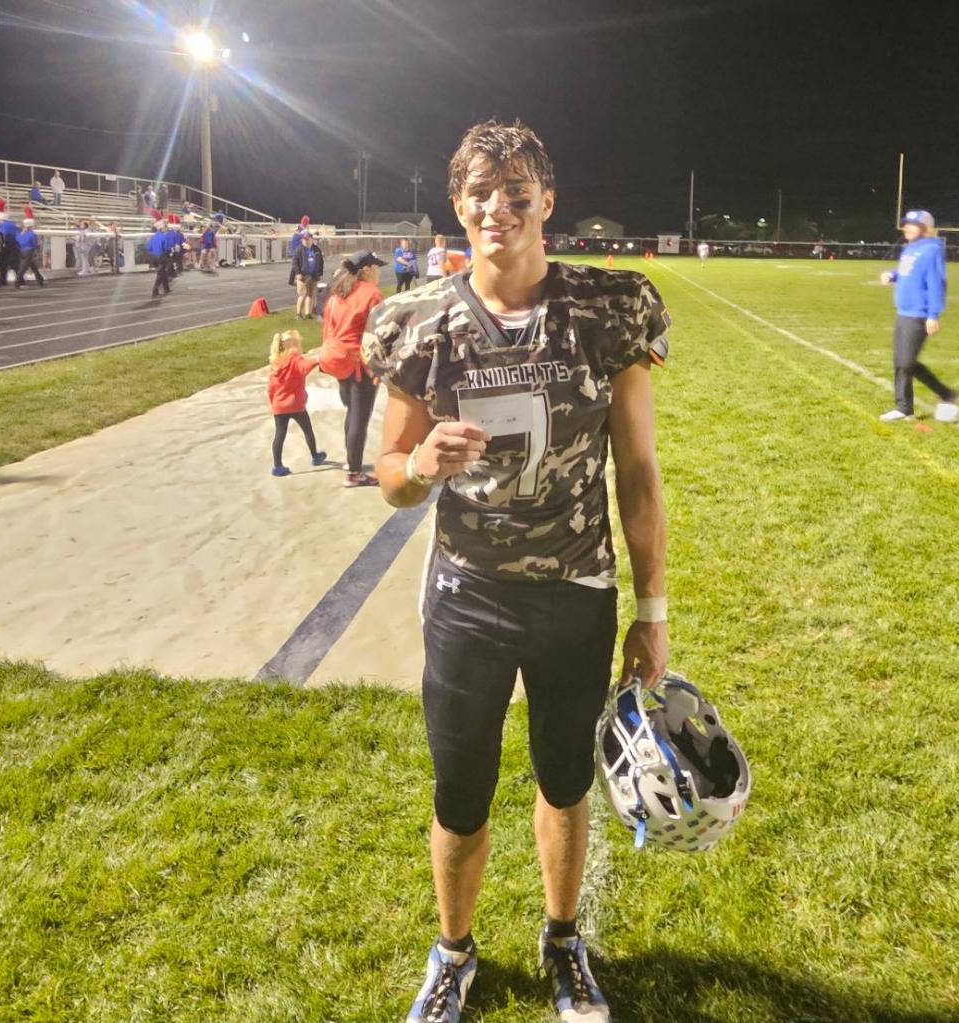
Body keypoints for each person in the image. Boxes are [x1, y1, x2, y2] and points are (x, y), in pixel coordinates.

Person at [363, 119, 671, 1023]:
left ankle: (563, 939)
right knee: (459, 789)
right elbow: (388, 477)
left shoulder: (607, 310)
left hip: (576, 590)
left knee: (565, 777)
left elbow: (639, 473)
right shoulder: (416, 322)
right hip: (468, 592)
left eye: (517, 187)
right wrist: (419, 466)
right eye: (480, 192)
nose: (500, 205)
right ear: (457, 207)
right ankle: (453, 951)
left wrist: (650, 609)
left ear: (548, 199)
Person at [879, 210, 959, 422]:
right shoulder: (910, 249)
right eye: (906, 224)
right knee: (903, 362)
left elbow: (936, 282)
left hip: (919, 314)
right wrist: (892, 275)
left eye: (912, 225)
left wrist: (933, 315)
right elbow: (907, 272)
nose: (906, 227)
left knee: (905, 362)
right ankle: (930, 399)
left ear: (925, 228)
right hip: (903, 312)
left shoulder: (931, 250)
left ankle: (908, 406)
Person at [323, 250, 386, 487]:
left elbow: (328, 328)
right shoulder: (371, 294)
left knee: (352, 410)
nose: (379, 272)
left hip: (337, 358)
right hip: (358, 361)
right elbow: (381, 332)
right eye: (377, 267)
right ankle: (355, 473)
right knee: (360, 416)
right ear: (367, 270)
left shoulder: (338, 293)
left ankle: (352, 460)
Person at [266, 329, 328, 477]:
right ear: (295, 345)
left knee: (279, 435)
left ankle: (277, 466)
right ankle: (315, 456)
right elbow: (307, 365)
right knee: (308, 430)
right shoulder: (296, 360)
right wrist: (320, 358)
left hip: (279, 406)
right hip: (296, 405)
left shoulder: (275, 364)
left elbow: (270, 388)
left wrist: (272, 404)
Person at [290, 232, 325, 319]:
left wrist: (320, 273)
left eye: (307, 239)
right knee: (302, 295)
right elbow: (294, 262)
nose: (305, 241)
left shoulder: (316, 249)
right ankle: (298, 314)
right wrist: (298, 273)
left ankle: (308, 313)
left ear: (311, 240)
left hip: (314, 276)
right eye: (304, 239)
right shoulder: (299, 249)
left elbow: (321, 262)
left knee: (311, 295)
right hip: (303, 276)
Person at [15, 218, 45, 287]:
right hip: (28, 251)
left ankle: (40, 279)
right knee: (24, 267)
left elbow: (18, 241)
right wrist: (37, 248)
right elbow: (34, 244)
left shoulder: (19, 234)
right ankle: (17, 281)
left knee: (32, 266)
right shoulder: (31, 234)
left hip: (21, 250)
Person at [147, 221, 172, 298]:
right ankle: (155, 289)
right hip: (161, 256)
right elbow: (167, 248)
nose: (166, 228)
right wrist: (170, 252)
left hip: (153, 257)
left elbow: (148, 248)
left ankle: (166, 288)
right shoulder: (163, 237)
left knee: (162, 272)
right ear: (161, 228)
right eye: (165, 227)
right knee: (160, 273)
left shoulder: (153, 237)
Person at [0, 207, 19, 286]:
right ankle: (20, 280)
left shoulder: (3, 226)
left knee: (3, 264)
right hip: (15, 246)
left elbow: (2, 236)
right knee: (15, 264)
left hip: (6, 246)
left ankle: (3, 281)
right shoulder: (13, 224)